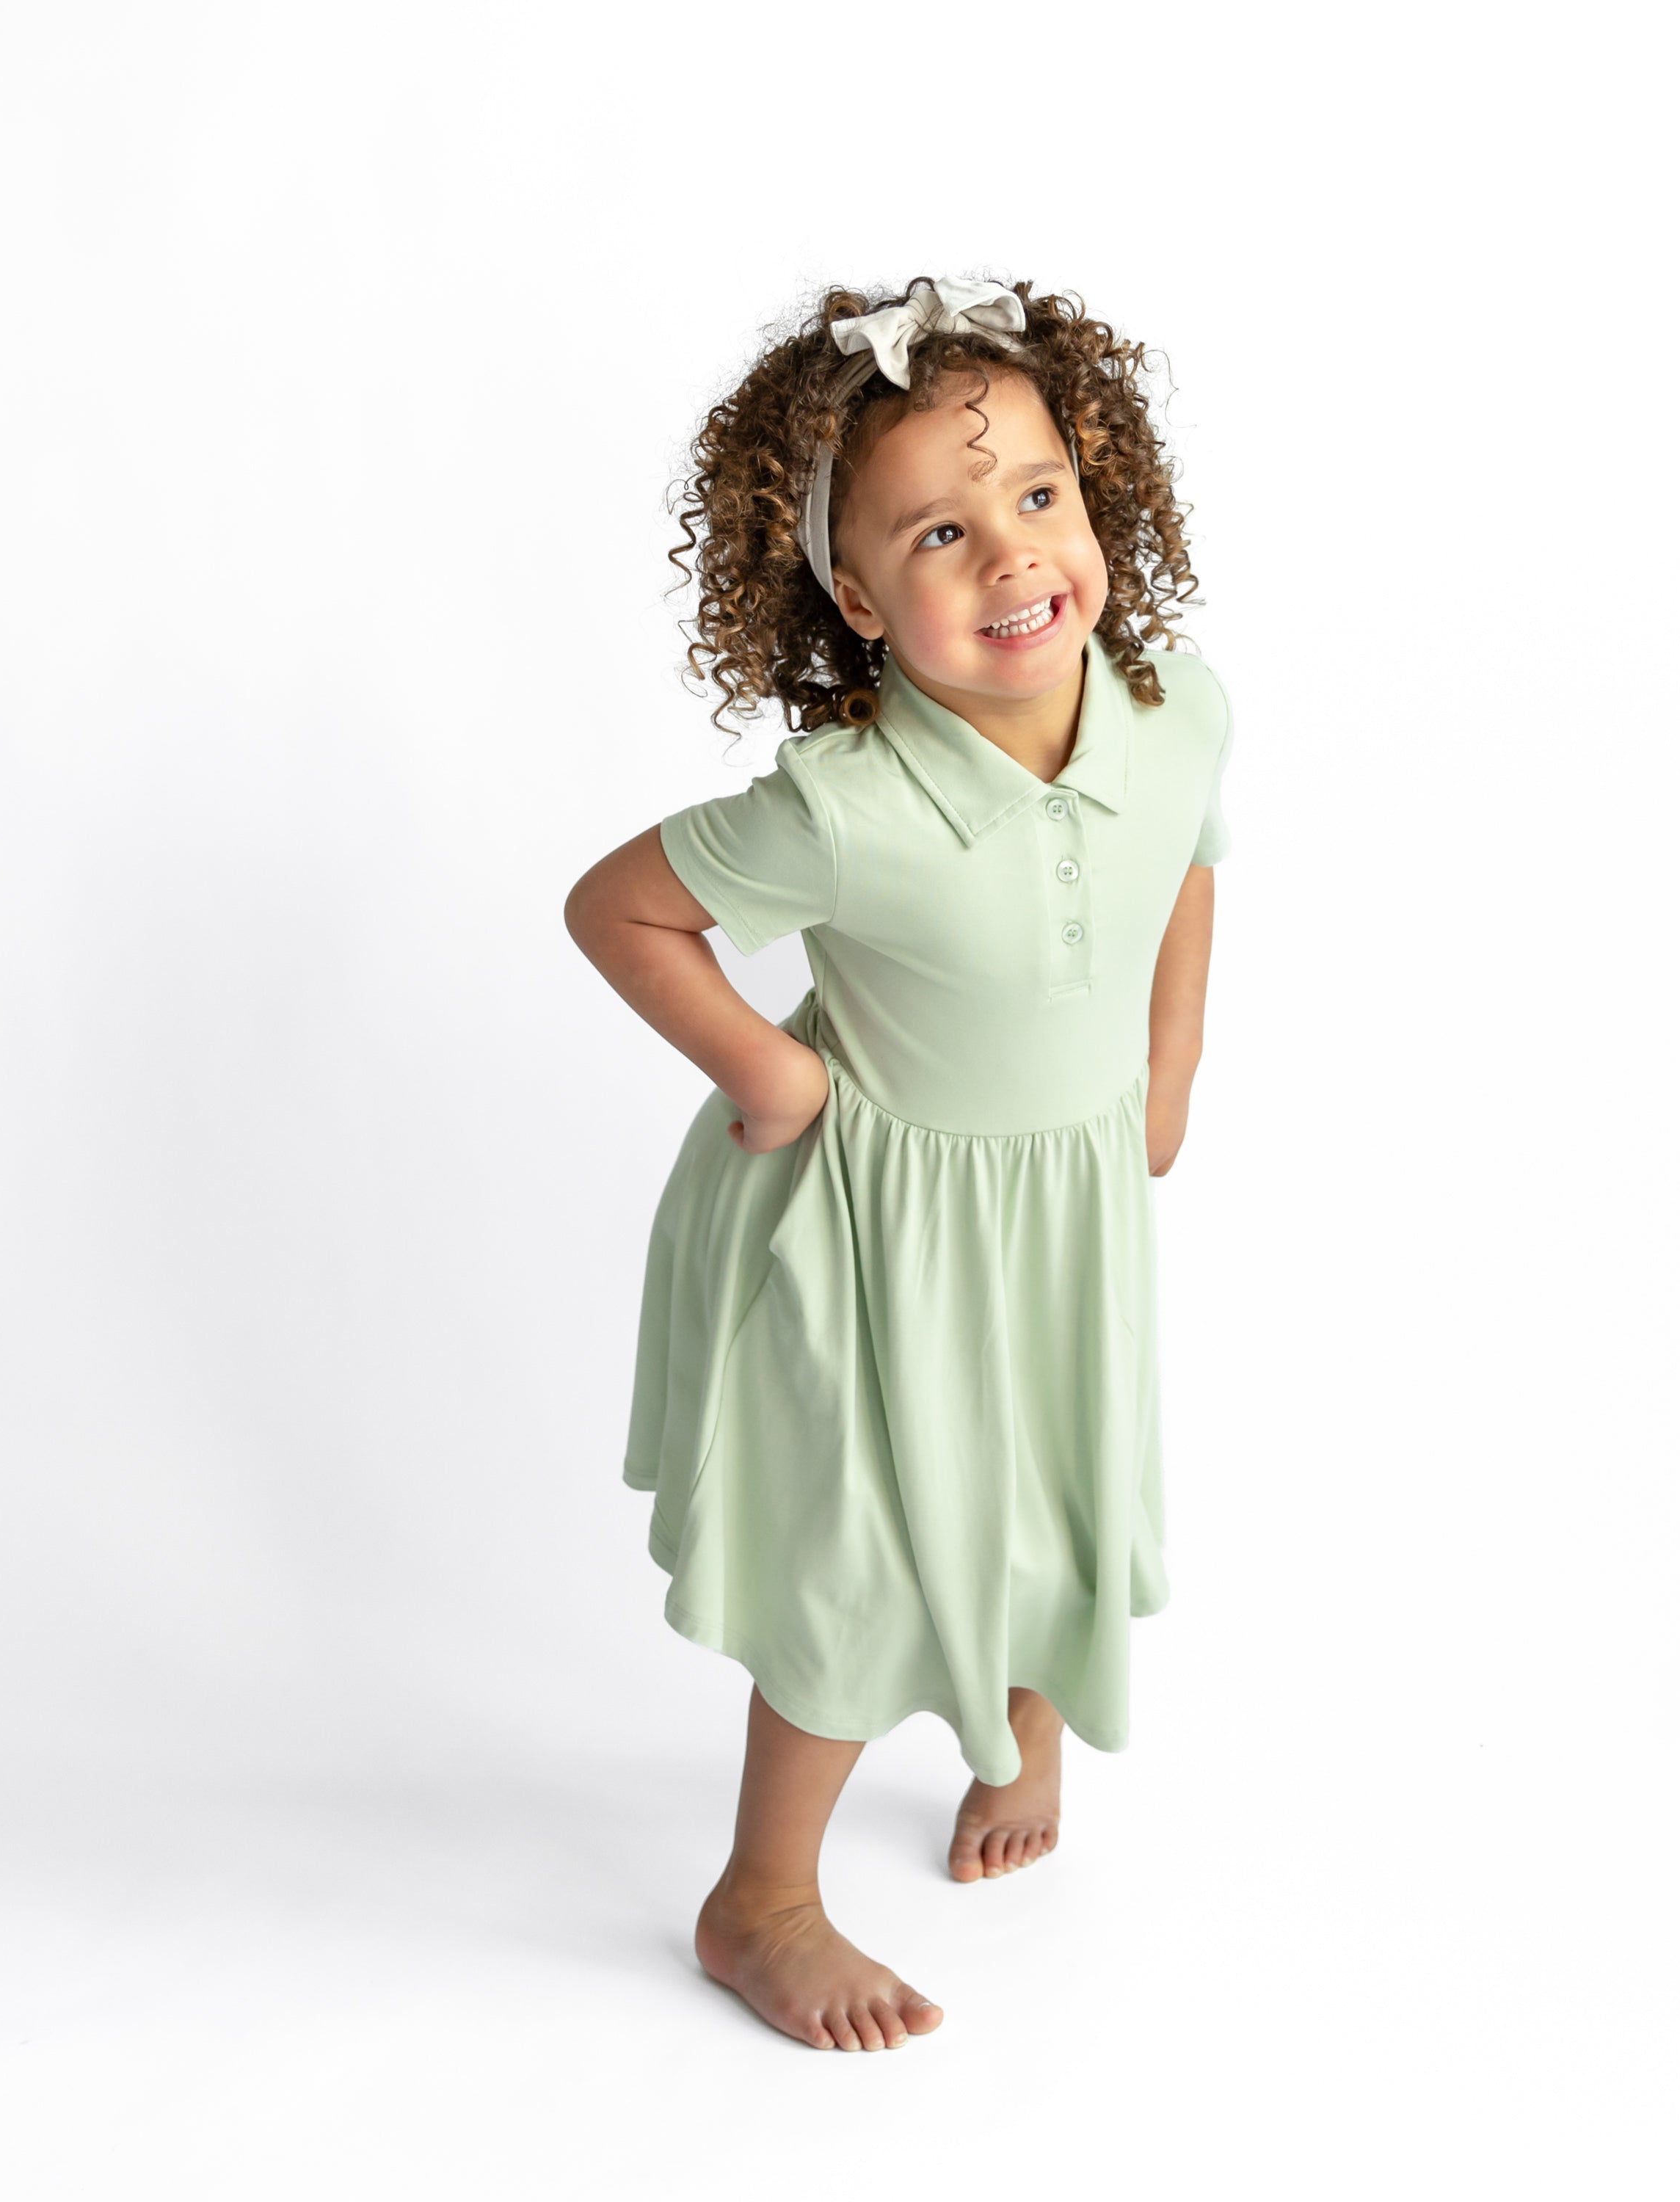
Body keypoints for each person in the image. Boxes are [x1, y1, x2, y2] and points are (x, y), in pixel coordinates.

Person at [563, 275, 1234, 2052]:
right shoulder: (845, 805)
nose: (1013, 557)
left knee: (1048, 1480)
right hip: (875, 1220)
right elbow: (620, 907)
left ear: (1097, 497)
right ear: (858, 596)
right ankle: (760, 1894)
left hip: (1062, 1205)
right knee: (862, 1549)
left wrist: (1169, 1061)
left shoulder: (1169, 706)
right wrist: (771, 1071)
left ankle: (1019, 1732)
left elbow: (1183, 860)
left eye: (1035, 498)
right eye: (942, 530)